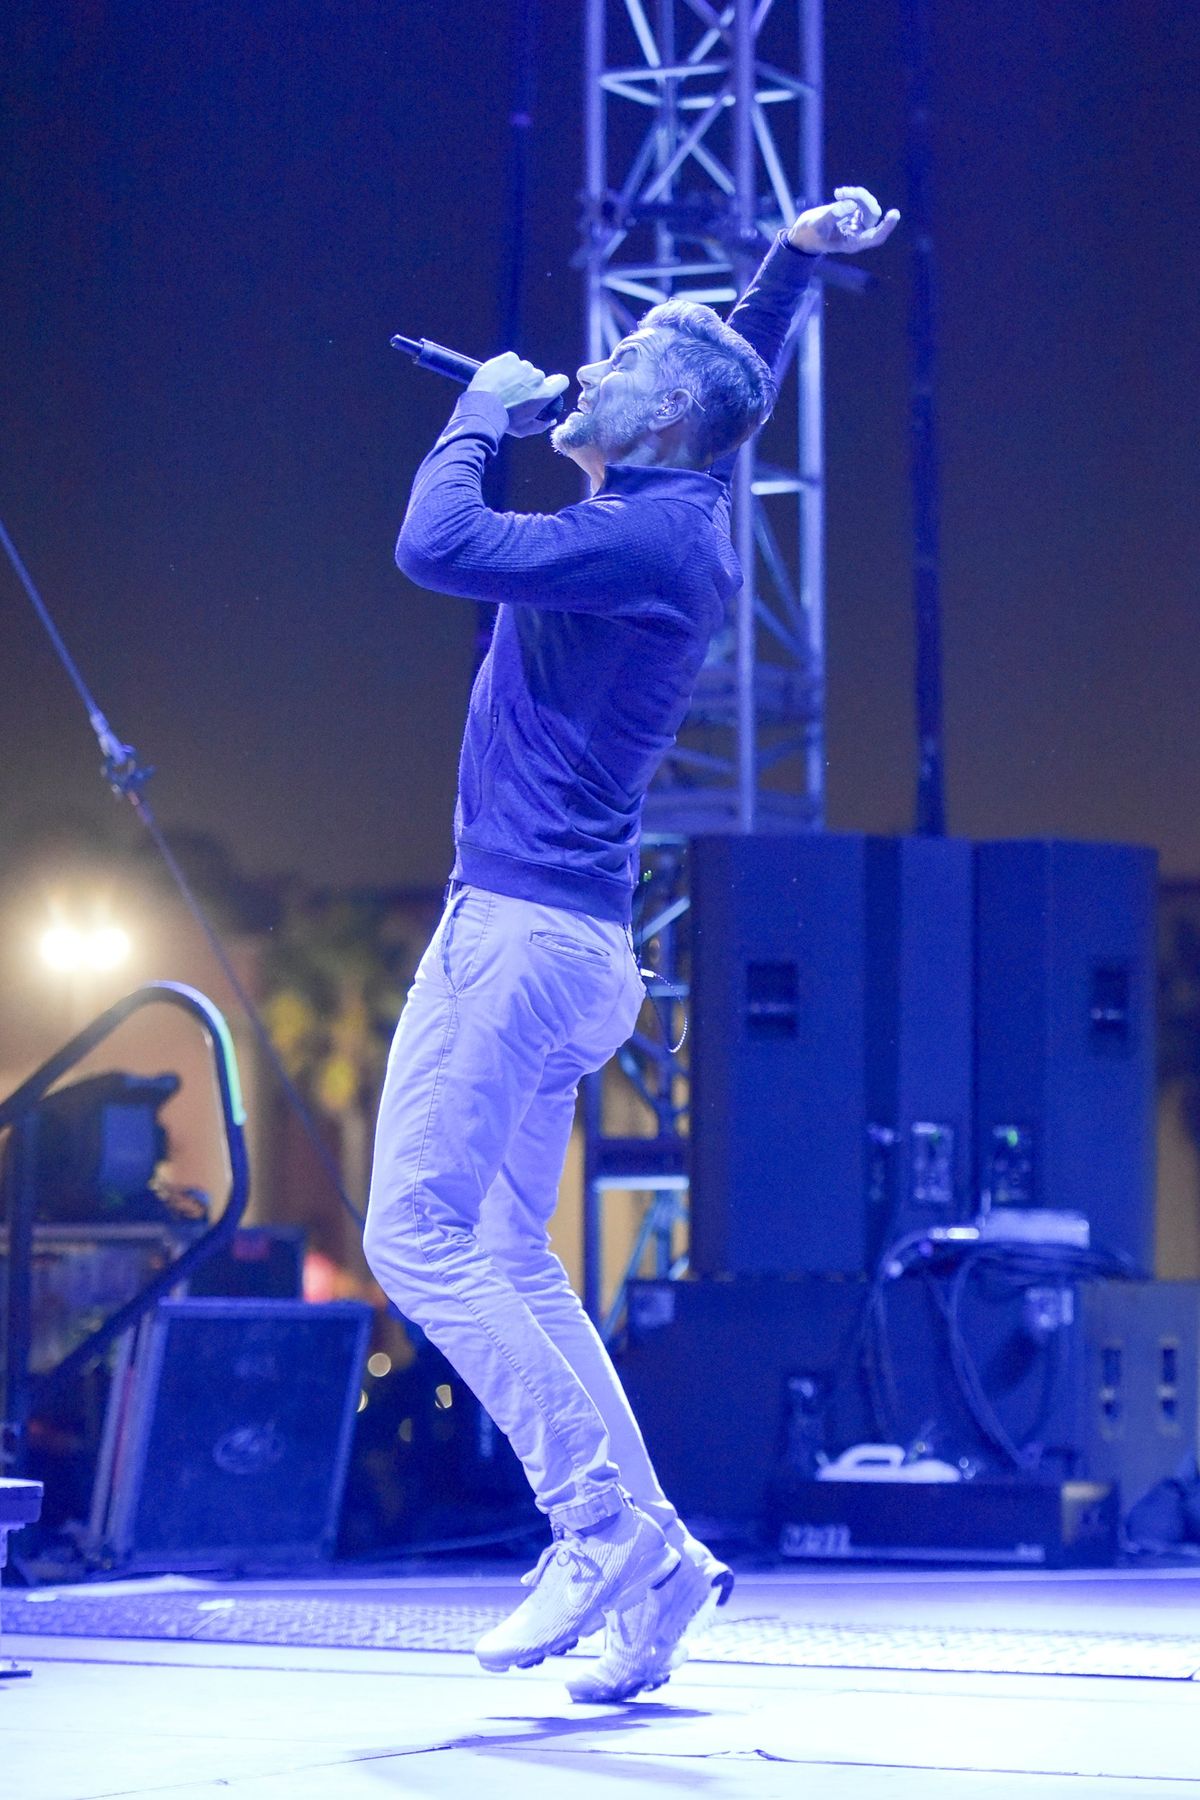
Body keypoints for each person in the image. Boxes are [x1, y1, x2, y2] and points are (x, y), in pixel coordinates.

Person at [364, 186, 899, 1700]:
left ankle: (594, 1524)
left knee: (413, 1238)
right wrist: (788, 265)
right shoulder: (682, 496)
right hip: (577, 955)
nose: (582, 376)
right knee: (509, 1261)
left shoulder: (634, 540)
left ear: (659, 424)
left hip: (519, 943)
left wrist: (475, 412)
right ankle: (658, 1570)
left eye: (616, 370)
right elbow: (732, 371)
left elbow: (435, 540)